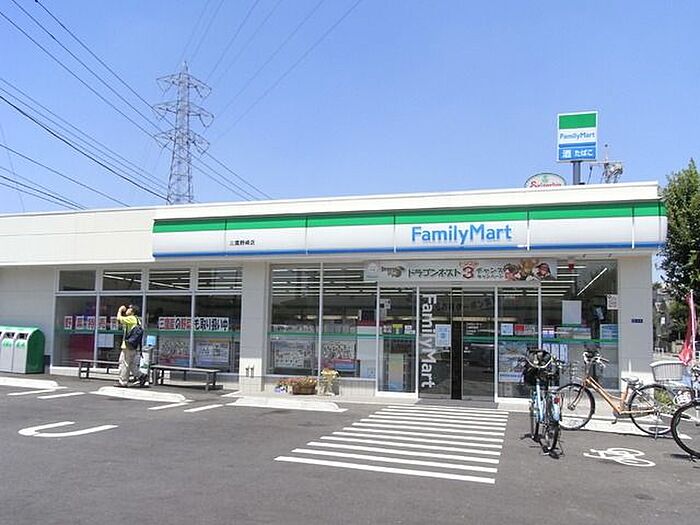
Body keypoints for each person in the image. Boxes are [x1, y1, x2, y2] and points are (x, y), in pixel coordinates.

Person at [116, 304, 147, 387]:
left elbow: (119, 318)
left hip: (127, 346)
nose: (127, 310)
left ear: (132, 311)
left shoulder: (131, 318)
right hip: (133, 346)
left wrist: (120, 310)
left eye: (129, 309)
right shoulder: (137, 320)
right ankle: (141, 376)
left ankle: (123, 382)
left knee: (124, 363)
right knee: (132, 365)